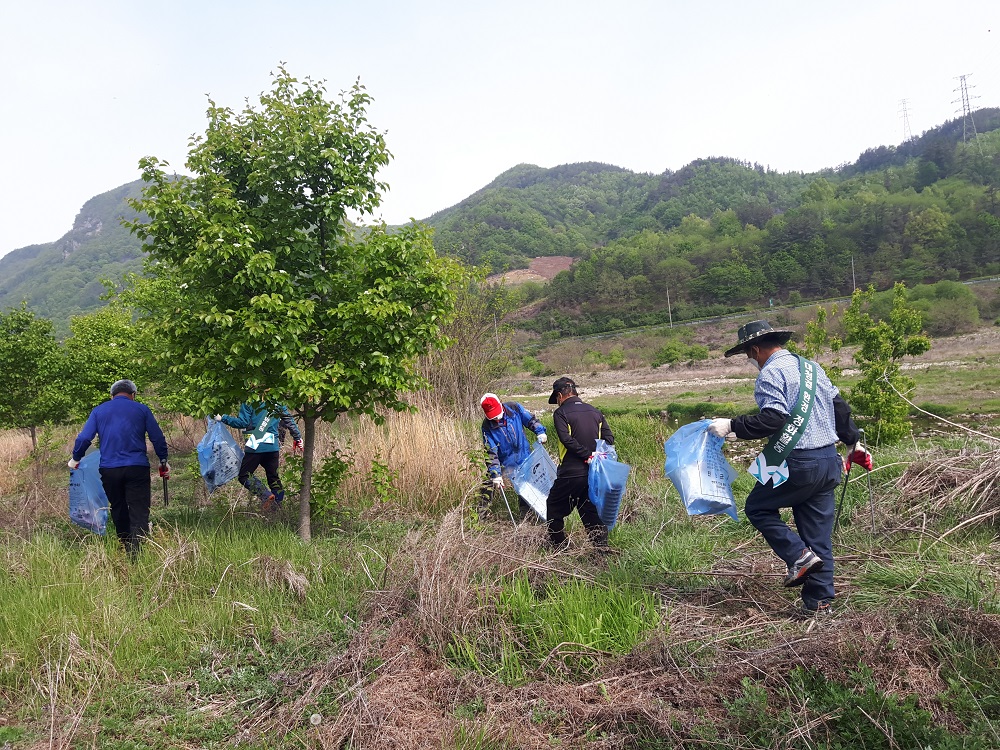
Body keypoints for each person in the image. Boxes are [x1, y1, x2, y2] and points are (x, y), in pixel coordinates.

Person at [708, 320, 871, 617]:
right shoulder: (812, 368)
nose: (751, 361)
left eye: (748, 355)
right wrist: (853, 443)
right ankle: (819, 605)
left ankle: (798, 556)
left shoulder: (771, 372)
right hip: (828, 461)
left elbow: (773, 420)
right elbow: (839, 407)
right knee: (819, 537)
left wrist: (730, 425)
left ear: (756, 349)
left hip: (799, 463)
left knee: (757, 508)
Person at [69, 379, 169, 557]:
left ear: (111, 395)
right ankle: (137, 550)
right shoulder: (142, 409)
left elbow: (84, 438)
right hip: (137, 467)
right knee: (139, 507)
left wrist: (76, 458)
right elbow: (158, 437)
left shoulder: (99, 411)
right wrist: (163, 459)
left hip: (110, 469)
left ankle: (125, 544)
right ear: (133, 394)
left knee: (118, 506)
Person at [546, 376, 614, 550]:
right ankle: (602, 550)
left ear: (560, 395)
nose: (557, 403)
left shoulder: (561, 413)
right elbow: (609, 439)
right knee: (590, 510)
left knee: (553, 507)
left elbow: (566, 439)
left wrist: (587, 454)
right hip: (594, 473)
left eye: (557, 399)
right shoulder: (595, 411)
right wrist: (596, 456)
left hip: (571, 472)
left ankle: (559, 548)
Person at [215, 398, 302, 512]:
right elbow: (289, 420)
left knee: (244, 476)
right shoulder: (277, 400)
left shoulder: (249, 400)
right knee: (273, 478)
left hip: (255, 447)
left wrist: (223, 418)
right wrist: (298, 437)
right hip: (272, 447)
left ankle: (266, 496)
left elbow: (242, 423)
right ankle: (278, 507)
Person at [479, 393, 547, 518]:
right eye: (492, 417)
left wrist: (540, 431)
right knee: (489, 484)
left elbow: (530, 420)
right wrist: (496, 474)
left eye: (497, 414)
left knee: (526, 485)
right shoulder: (487, 427)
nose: (496, 419)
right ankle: (480, 517)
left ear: (500, 404)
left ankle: (527, 516)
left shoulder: (513, 408)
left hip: (523, 455)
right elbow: (490, 451)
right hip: (504, 461)